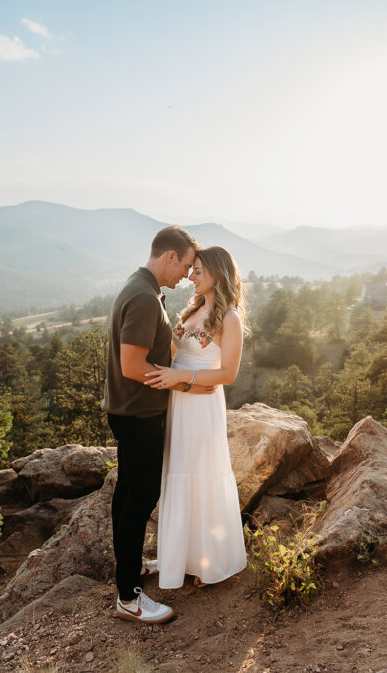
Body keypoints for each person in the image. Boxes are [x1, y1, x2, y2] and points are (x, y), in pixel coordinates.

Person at [103, 225, 215, 624]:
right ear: (169, 256)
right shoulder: (144, 297)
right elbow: (131, 365)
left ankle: (129, 571)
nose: (186, 274)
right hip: (138, 414)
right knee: (140, 500)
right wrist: (182, 381)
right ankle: (129, 598)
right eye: (184, 265)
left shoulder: (143, 289)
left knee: (128, 495)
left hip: (129, 411)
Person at [144, 246, 249, 589]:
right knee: (180, 474)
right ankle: (182, 558)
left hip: (202, 407)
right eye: (192, 270)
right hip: (180, 405)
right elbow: (174, 352)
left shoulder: (229, 318)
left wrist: (182, 379)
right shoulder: (192, 312)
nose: (191, 275)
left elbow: (228, 375)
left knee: (202, 476)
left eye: (199, 270)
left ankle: (211, 561)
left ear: (218, 273)